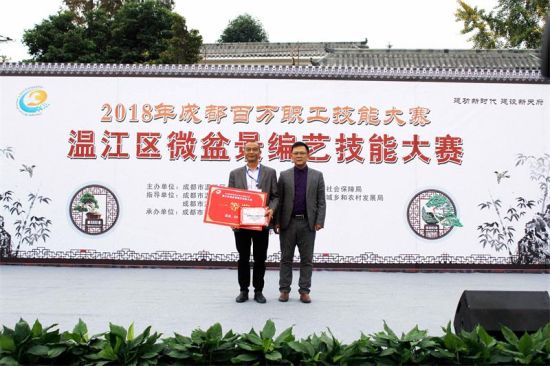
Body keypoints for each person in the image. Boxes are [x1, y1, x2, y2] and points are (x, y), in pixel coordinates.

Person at [274, 142, 326, 303]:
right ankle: (284, 290)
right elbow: (279, 201)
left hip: (308, 224)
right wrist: (276, 221)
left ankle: (304, 291)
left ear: (308, 155)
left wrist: (319, 221)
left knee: (307, 260)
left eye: (302, 153)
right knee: (286, 258)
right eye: (295, 153)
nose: (299, 156)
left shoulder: (317, 175)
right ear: (291, 156)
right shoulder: (284, 175)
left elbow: (321, 201)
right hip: (287, 223)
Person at [228, 141, 278, 303]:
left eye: (254, 149)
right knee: (243, 257)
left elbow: (275, 196)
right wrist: (231, 219)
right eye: (248, 149)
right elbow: (230, 198)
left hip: (261, 222)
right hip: (241, 224)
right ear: (244, 152)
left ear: (259, 152)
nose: (251, 152)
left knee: (260, 258)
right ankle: (243, 290)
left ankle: (258, 291)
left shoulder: (270, 173)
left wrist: (271, 209)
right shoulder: (235, 174)